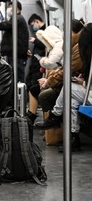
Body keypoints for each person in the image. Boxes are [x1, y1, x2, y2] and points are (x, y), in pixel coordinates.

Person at [35, 22, 92, 152]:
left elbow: (67, 69)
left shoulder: (77, 49)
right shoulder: (77, 49)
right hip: (88, 92)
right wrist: (83, 81)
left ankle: (54, 116)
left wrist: (82, 83)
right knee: (72, 100)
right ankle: (74, 137)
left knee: (69, 87)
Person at [26, 13, 46, 91]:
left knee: (35, 85)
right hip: (36, 61)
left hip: (40, 62)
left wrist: (35, 41)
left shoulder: (46, 31)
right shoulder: (39, 32)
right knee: (29, 81)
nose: (32, 27)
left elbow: (46, 45)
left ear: (37, 21)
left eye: (32, 25)